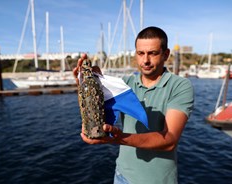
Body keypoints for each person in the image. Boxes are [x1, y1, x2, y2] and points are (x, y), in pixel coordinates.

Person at [73, 26, 194, 184]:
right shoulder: (125, 84)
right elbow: (96, 105)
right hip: (122, 176)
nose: (145, 60)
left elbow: (169, 140)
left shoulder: (180, 86)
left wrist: (118, 138)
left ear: (166, 54)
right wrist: (84, 81)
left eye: (153, 53)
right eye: (140, 53)